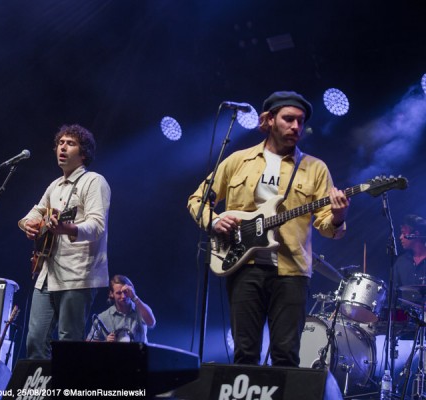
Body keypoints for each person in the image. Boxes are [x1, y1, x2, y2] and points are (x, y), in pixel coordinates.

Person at [187, 91, 350, 367]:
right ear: (269, 120)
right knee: (245, 353)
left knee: (286, 355)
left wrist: (338, 215)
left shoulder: (315, 168)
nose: (296, 127)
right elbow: (197, 199)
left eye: (300, 121)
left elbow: (325, 225)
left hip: (291, 271)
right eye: (288, 119)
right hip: (243, 265)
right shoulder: (238, 160)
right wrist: (214, 220)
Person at [18, 124, 110, 359]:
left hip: (78, 274)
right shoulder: (54, 185)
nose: (63, 147)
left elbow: (97, 226)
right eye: (60, 143)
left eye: (70, 143)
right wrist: (28, 224)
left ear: (83, 153)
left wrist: (66, 228)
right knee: (34, 340)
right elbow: (36, 212)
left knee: (69, 342)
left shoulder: (94, 182)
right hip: (47, 273)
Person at [87, 275, 156, 343]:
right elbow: (89, 340)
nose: (123, 296)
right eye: (119, 293)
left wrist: (134, 297)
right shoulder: (102, 317)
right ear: (111, 294)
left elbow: (151, 323)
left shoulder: (141, 310)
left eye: (126, 292)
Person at [394, 214, 426, 302]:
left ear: (416, 234)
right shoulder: (401, 262)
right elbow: (394, 294)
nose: (400, 237)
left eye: (404, 233)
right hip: (405, 314)